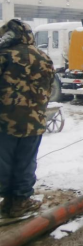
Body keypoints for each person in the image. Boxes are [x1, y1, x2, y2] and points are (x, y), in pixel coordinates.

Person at [0, 19, 55, 218]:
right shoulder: (43, 57)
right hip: (33, 121)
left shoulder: (3, 56)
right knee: (26, 162)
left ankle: (7, 199)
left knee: (4, 162)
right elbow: (49, 87)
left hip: (5, 122)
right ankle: (20, 201)